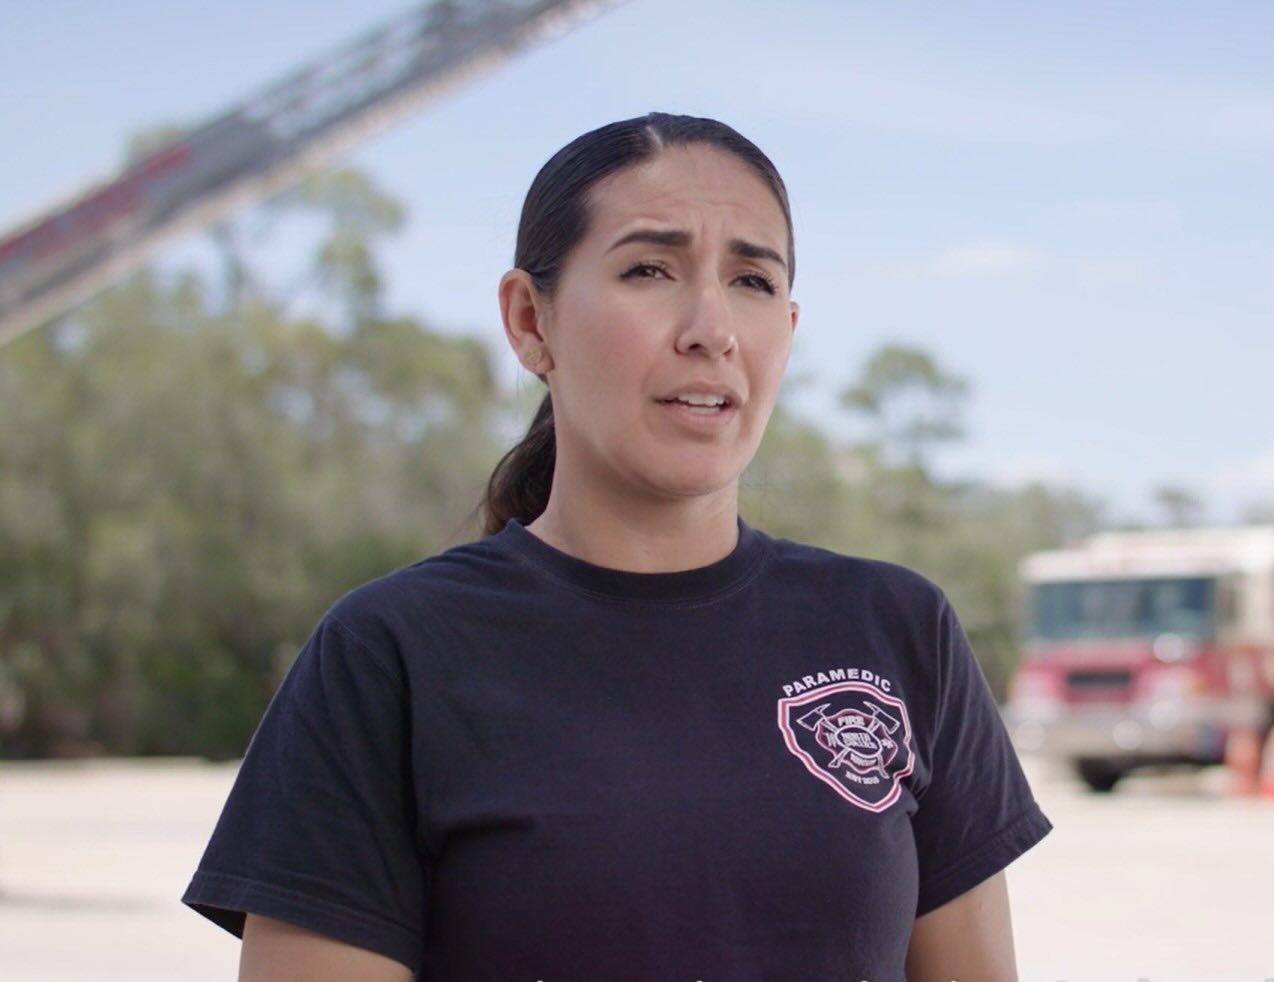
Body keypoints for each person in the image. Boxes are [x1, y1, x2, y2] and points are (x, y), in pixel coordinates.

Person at [181, 112, 1053, 981]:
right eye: (649, 270)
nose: (710, 327)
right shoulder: (389, 654)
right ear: (530, 321)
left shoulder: (898, 629)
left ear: (786, 330)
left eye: (751, 281)